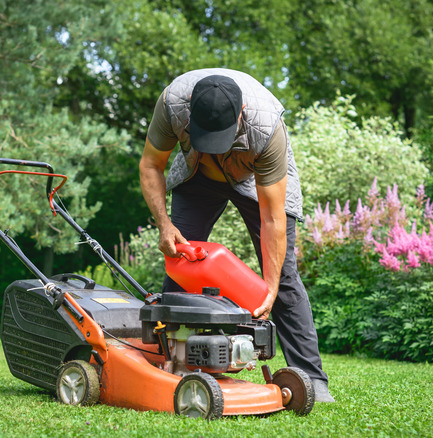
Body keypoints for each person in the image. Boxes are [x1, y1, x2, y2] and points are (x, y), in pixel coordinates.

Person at [138, 68, 334, 402]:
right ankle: (165, 364)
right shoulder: (172, 103)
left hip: (256, 179)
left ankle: (313, 380)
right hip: (198, 175)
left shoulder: (266, 127)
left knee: (283, 278)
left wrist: (269, 288)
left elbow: (272, 219)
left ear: (240, 112)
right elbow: (150, 165)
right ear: (189, 107)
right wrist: (164, 225)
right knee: (180, 263)